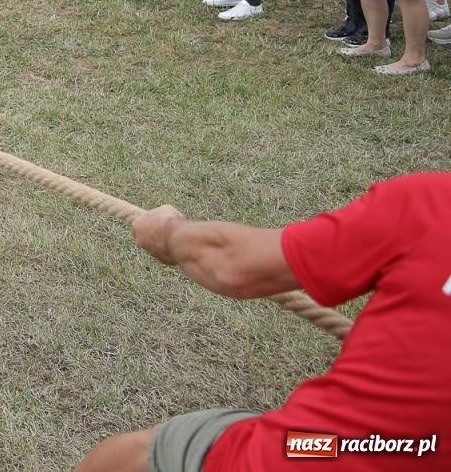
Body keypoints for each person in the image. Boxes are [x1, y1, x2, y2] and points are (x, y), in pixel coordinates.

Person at [76, 172, 451, 472]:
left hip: (323, 450)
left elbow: (233, 265)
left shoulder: (434, 204)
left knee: (132, 457)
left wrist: (170, 232)